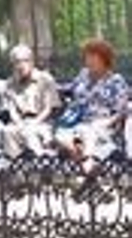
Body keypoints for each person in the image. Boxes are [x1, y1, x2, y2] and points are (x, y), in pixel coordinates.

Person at [55, 36, 128, 173]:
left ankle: (86, 166)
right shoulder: (83, 75)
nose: (88, 61)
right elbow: (69, 88)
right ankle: (85, 163)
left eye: (93, 57)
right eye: (87, 57)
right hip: (78, 123)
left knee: (89, 132)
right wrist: (50, 84)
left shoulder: (116, 81)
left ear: (104, 59)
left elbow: (121, 110)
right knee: (60, 135)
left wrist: (107, 122)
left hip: (103, 125)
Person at [0, 43, 61, 158]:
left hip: (42, 122)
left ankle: (40, 159)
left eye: (25, 61)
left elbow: (48, 109)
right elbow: (11, 109)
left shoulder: (45, 79)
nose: (21, 65)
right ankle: (16, 163)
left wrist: (34, 122)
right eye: (17, 62)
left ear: (32, 62)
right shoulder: (9, 84)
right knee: (7, 131)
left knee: (29, 131)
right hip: (20, 122)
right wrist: (19, 123)